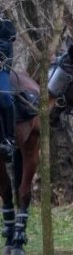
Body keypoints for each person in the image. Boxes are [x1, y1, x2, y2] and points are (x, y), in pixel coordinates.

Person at [0, 11, 15, 160]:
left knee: (4, 97)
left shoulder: (5, 24)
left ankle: (8, 139)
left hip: (1, 69)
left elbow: (4, 47)